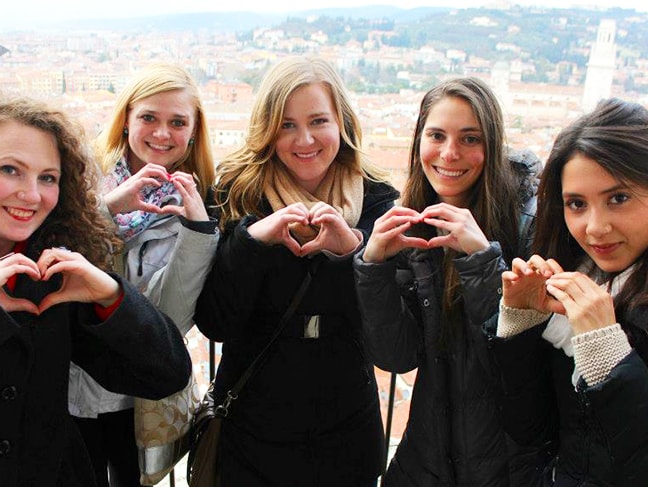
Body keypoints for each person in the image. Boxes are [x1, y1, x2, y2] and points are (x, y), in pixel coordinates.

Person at [0, 97, 192, 486]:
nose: (31, 195)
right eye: (10, 170)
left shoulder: (50, 258)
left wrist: (111, 298)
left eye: (47, 177)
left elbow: (165, 373)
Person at [488, 97, 648, 485]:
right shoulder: (572, 273)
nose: (595, 228)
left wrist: (610, 359)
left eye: (619, 198)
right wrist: (520, 325)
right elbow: (528, 431)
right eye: (576, 204)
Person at [194, 56, 397, 487]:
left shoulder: (378, 201)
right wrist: (253, 241)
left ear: (341, 122)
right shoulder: (237, 194)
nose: (304, 139)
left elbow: (386, 335)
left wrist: (352, 253)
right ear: (268, 129)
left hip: (344, 435)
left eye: (318, 121)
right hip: (253, 432)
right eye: (287, 125)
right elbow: (216, 321)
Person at [352, 77, 542, 486]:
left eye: (469, 138)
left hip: (509, 466)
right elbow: (398, 356)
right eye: (436, 135)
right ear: (418, 140)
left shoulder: (529, 223)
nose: (450, 153)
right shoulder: (416, 220)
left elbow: (519, 366)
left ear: (491, 145)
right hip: (429, 459)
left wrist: (482, 260)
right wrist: (373, 266)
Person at [67, 63, 218, 487]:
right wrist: (108, 209)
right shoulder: (81, 181)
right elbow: (53, 262)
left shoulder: (201, 203)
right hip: (69, 381)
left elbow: (170, 317)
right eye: (149, 117)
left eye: (177, 122)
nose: (162, 134)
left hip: (137, 394)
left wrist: (197, 230)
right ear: (127, 119)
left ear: (193, 131)